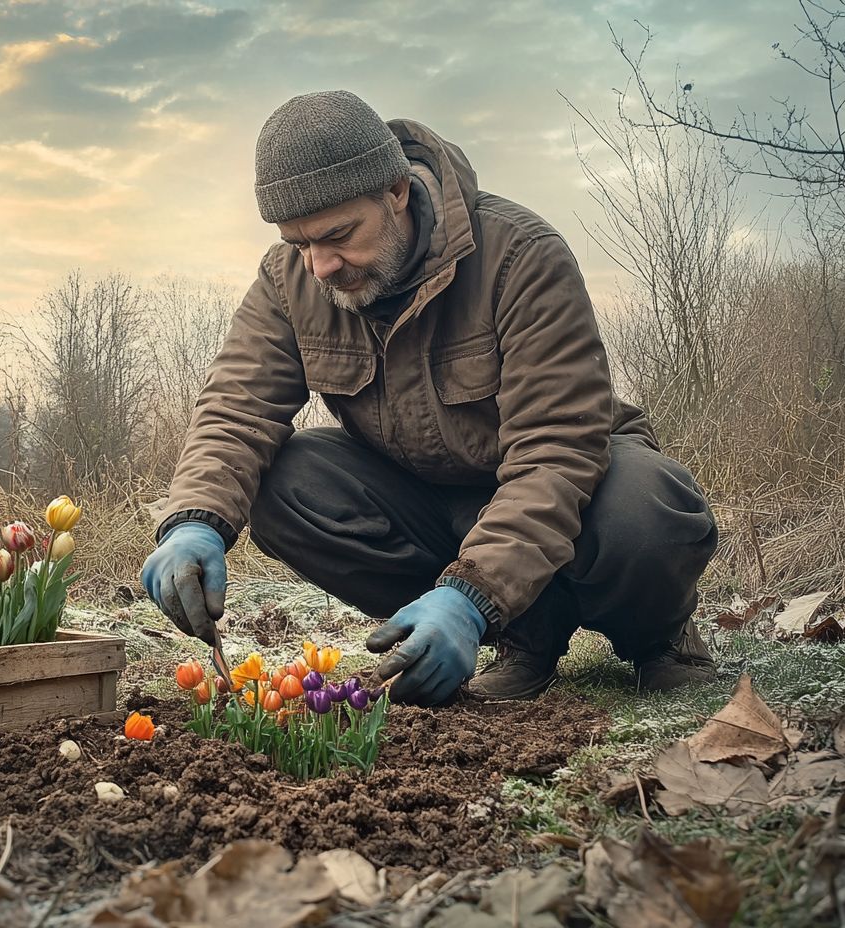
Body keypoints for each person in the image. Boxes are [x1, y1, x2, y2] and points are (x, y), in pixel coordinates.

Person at [141, 90, 718, 706]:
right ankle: (525, 630)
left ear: (395, 192)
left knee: (644, 511)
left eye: (338, 235)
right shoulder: (290, 280)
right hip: (427, 495)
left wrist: (469, 597)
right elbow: (236, 406)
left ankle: (656, 636)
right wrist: (194, 521)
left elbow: (556, 452)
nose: (322, 266)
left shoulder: (519, 256)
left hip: (570, 480)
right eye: (300, 242)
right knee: (286, 481)